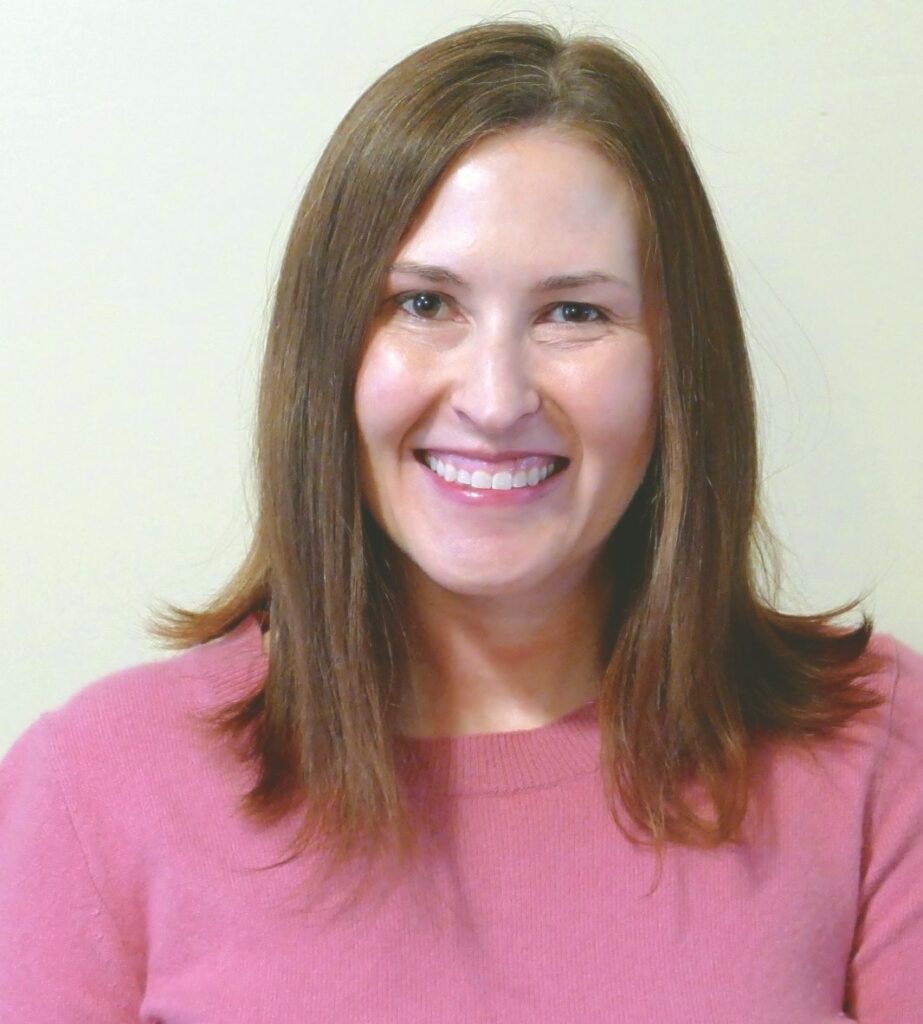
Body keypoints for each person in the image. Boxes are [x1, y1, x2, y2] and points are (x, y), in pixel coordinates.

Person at [1, 20, 920, 1023]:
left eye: (574, 312)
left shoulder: (880, 755)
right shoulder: (92, 789)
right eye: (423, 303)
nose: (494, 397)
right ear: (329, 358)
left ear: (675, 365)